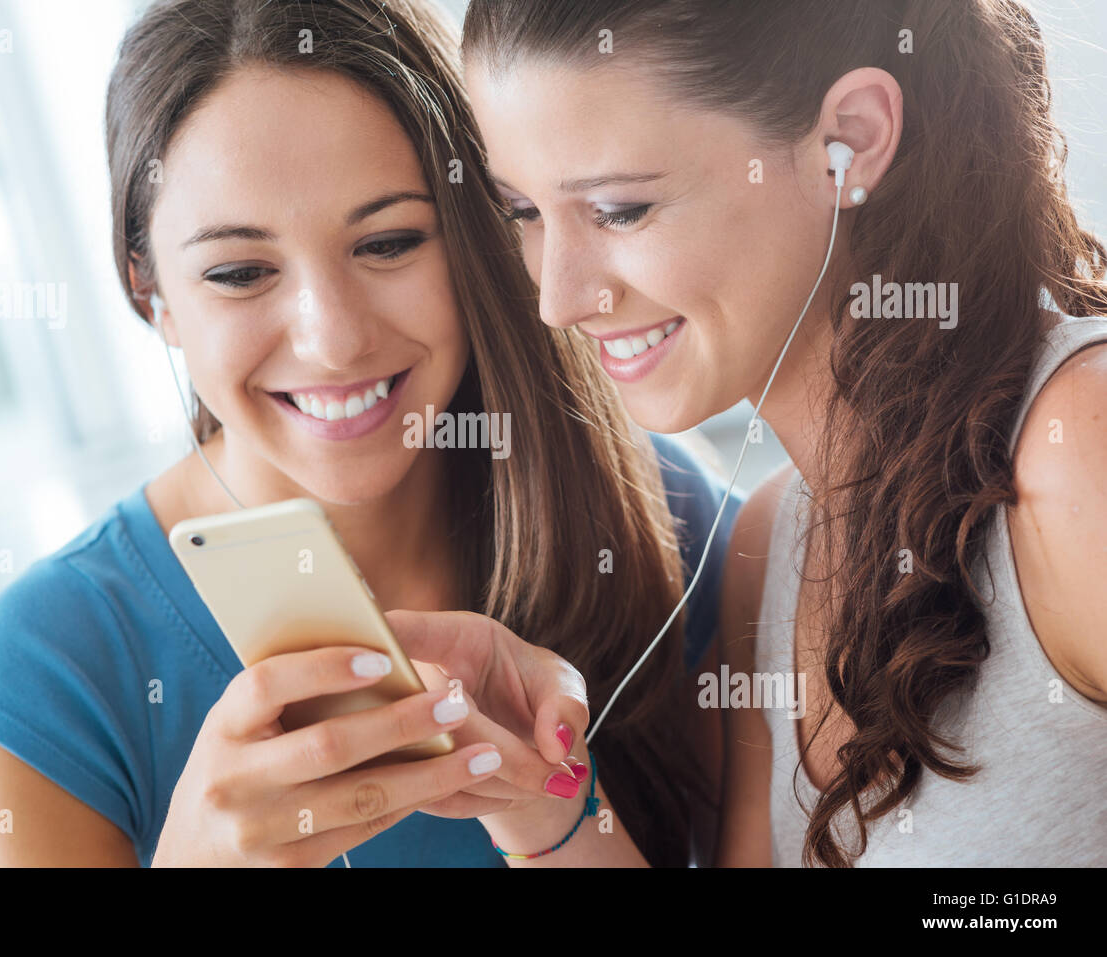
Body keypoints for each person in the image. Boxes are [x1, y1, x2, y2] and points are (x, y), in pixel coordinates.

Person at [0, 0, 741, 868]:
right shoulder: (44, 673)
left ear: (474, 236)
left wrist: (557, 815)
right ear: (151, 293)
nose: (335, 337)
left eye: (390, 242)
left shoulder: (664, 517)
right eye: (240, 272)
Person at [461, 0, 1107, 865]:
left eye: (618, 210)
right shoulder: (774, 542)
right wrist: (542, 800)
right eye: (524, 213)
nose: (559, 298)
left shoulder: (1077, 452)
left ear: (851, 139)